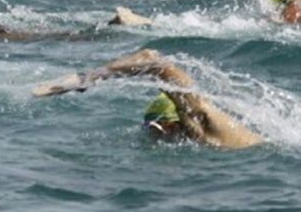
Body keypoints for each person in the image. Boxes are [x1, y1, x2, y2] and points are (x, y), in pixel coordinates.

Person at [33, 48, 262, 149]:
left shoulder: (205, 126)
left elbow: (162, 68)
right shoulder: (208, 134)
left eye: (154, 130)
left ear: (172, 125)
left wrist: (91, 78)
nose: (153, 137)